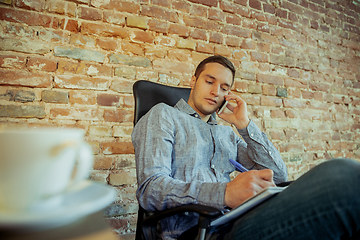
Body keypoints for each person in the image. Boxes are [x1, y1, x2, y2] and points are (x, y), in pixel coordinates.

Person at [132, 55, 360, 240]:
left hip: (236, 220)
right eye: (209, 81)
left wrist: (244, 125)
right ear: (193, 81)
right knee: (343, 177)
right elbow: (150, 189)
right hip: (198, 232)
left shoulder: (225, 134)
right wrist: (225, 193)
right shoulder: (164, 115)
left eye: (224, 88)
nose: (216, 92)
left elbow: (279, 175)